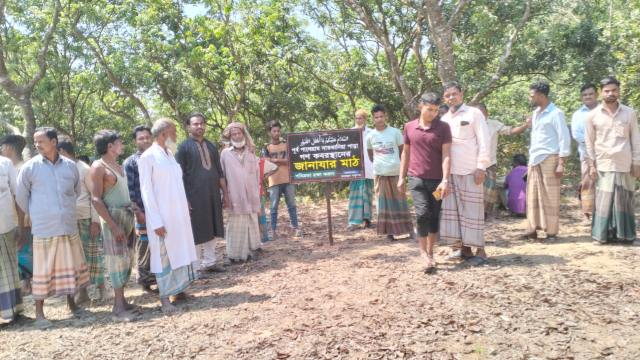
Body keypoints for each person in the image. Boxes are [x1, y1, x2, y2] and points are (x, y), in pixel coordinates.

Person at [16, 127, 91, 328]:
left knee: (70, 267)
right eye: (35, 142)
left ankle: (72, 305)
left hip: (67, 225)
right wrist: (38, 214)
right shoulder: (29, 168)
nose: (37, 145)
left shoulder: (70, 166)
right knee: (43, 270)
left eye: (41, 141)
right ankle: (40, 313)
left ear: (54, 142)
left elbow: (75, 191)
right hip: (44, 227)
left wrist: (62, 211)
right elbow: (22, 198)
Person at [139, 118, 198, 314]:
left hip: (179, 214)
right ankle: (164, 299)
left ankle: (179, 290)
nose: (176, 136)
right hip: (162, 217)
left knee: (180, 250)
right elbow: (147, 192)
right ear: (163, 134)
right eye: (173, 132)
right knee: (163, 256)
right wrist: (155, 220)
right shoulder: (148, 157)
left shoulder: (170, 156)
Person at [89, 130, 140, 322]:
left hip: (126, 215)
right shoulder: (98, 167)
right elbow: (96, 199)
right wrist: (113, 226)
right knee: (116, 260)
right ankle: (118, 308)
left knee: (127, 259)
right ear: (109, 146)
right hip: (113, 218)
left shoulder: (117, 166)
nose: (122, 145)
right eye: (119, 142)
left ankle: (123, 302)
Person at [398, 93, 452, 274]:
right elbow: (405, 153)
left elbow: (446, 155)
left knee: (434, 215)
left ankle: (430, 253)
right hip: (416, 179)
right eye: (430, 109)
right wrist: (401, 177)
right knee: (422, 214)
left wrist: (445, 181)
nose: (433, 113)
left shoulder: (443, 127)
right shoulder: (409, 127)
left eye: (436, 110)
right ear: (421, 107)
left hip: (437, 183)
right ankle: (422, 253)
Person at [440, 82, 491, 266]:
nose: (451, 97)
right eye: (447, 95)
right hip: (451, 173)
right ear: (444, 99)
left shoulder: (474, 113)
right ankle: (464, 250)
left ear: (462, 94)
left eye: (454, 94)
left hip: (471, 171)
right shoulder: (444, 119)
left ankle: (481, 252)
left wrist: (481, 167)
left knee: (472, 213)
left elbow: (484, 141)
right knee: (454, 214)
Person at [585, 77, 640, 245]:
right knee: (603, 201)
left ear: (618, 91)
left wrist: (637, 162)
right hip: (603, 163)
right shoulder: (592, 115)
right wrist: (591, 165)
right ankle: (601, 236)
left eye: (614, 90)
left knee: (626, 200)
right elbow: (589, 142)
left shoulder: (629, 113)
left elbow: (635, 138)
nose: (611, 93)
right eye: (607, 90)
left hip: (625, 162)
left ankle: (628, 236)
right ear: (601, 93)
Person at [57, 137, 111, 303]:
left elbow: (95, 196)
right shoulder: (59, 169)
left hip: (86, 218)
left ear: (62, 151)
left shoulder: (84, 168)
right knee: (75, 258)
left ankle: (103, 289)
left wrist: (95, 221)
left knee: (93, 255)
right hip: (68, 220)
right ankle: (83, 292)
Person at [176, 113, 229, 275]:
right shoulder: (183, 147)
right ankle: (196, 267)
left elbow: (220, 172)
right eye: (195, 124)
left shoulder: (212, 146)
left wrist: (225, 194)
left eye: (202, 123)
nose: (199, 126)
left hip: (213, 195)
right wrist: (184, 199)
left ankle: (210, 263)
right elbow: (180, 176)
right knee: (196, 230)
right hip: (193, 196)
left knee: (213, 227)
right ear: (188, 127)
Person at [519, 81, 571, 243]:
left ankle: (551, 233)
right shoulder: (535, 113)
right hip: (535, 160)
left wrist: (561, 163)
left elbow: (564, 139)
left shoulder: (556, 113)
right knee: (533, 196)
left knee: (550, 196)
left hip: (550, 158)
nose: (530, 98)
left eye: (532, 96)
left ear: (542, 96)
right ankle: (532, 229)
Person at [222, 122, 278, 264]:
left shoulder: (251, 153)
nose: (236, 136)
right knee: (234, 225)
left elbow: (257, 172)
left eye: (239, 133)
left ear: (243, 135)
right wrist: (224, 195)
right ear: (230, 137)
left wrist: (260, 183)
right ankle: (232, 255)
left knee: (251, 222)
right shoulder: (225, 154)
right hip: (234, 194)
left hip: (251, 194)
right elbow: (221, 176)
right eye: (233, 134)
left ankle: (252, 249)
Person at [473, 104, 531, 222]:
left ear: (486, 112)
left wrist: (526, 125)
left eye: (481, 112)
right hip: (471, 163)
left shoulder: (494, 123)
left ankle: (488, 215)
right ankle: (475, 216)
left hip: (489, 163)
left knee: (490, 189)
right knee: (473, 190)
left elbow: (510, 131)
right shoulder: (469, 124)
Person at [366, 104, 415, 241]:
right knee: (383, 205)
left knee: (401, 203)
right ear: (373, 119)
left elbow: (404, 151)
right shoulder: (370, 136)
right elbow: (371, 155)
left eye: (381, 116)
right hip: (380, 175)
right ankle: (389, 234)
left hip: (396, 173)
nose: (379, 119)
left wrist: (402, 172)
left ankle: (410, 231)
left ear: (385, 117)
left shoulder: (395, 132)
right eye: (376, 117)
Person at [123, 125, 157, 295]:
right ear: (135, 141)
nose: (145, 140)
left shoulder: (159, 157)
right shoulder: (131, 162)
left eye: (147, 137)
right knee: (144, 246)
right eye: (141, 138)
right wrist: (138, 212)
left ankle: (162, 280)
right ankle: (145, 284)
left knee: (161, 245)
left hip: (160, 210)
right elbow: (130, 191)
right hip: (142, 212)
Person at [262, 121, 305, 239]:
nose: (276, 133)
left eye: (278, 130)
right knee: (273, 207)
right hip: (274, 181)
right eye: (274, 131)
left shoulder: (287, 144)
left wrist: (275, 160)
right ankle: (273, 232)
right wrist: (282, 161)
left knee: (291, 205)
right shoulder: (266, 147)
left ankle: (296, 229)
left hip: (288, 179)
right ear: (270, 132)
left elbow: (291, 160)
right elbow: (266, 163)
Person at [0, 135, 32, 295]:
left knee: (20, 253)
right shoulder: (10, 166)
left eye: (3, 146)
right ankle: (27, 284)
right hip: (10, 219)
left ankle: (46, 276)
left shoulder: (22, 168)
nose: (1, 150)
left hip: (23, 220)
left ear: (9, 148)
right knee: (21, 252)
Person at [571, 84, 599, 225]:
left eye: (590, 94)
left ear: (597, 95)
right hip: (586, 154)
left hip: (607, 155)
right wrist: (594, 145)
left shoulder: (604, 110)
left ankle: (602, 214)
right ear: (582, 97)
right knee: (587, 182)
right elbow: (576, 134)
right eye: (585, 95)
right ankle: (586, 215)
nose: (588, 96)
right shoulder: (578, 114)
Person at [0, 155, 23, 323]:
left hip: (6, 225)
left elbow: (18, 196)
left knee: (10, 267)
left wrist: (21, 225)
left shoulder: (5, 163)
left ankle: (13, 311)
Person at [346, 109, 375, 231]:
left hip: (369, 168)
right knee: (355, 196)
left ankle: (367, 220)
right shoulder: (350, 132)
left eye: (360, 118)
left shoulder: (372, 133)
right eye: (356, 118)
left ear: (365, 119)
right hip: (355, 169)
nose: (358, 120)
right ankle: (352, 222)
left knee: (367, 195)